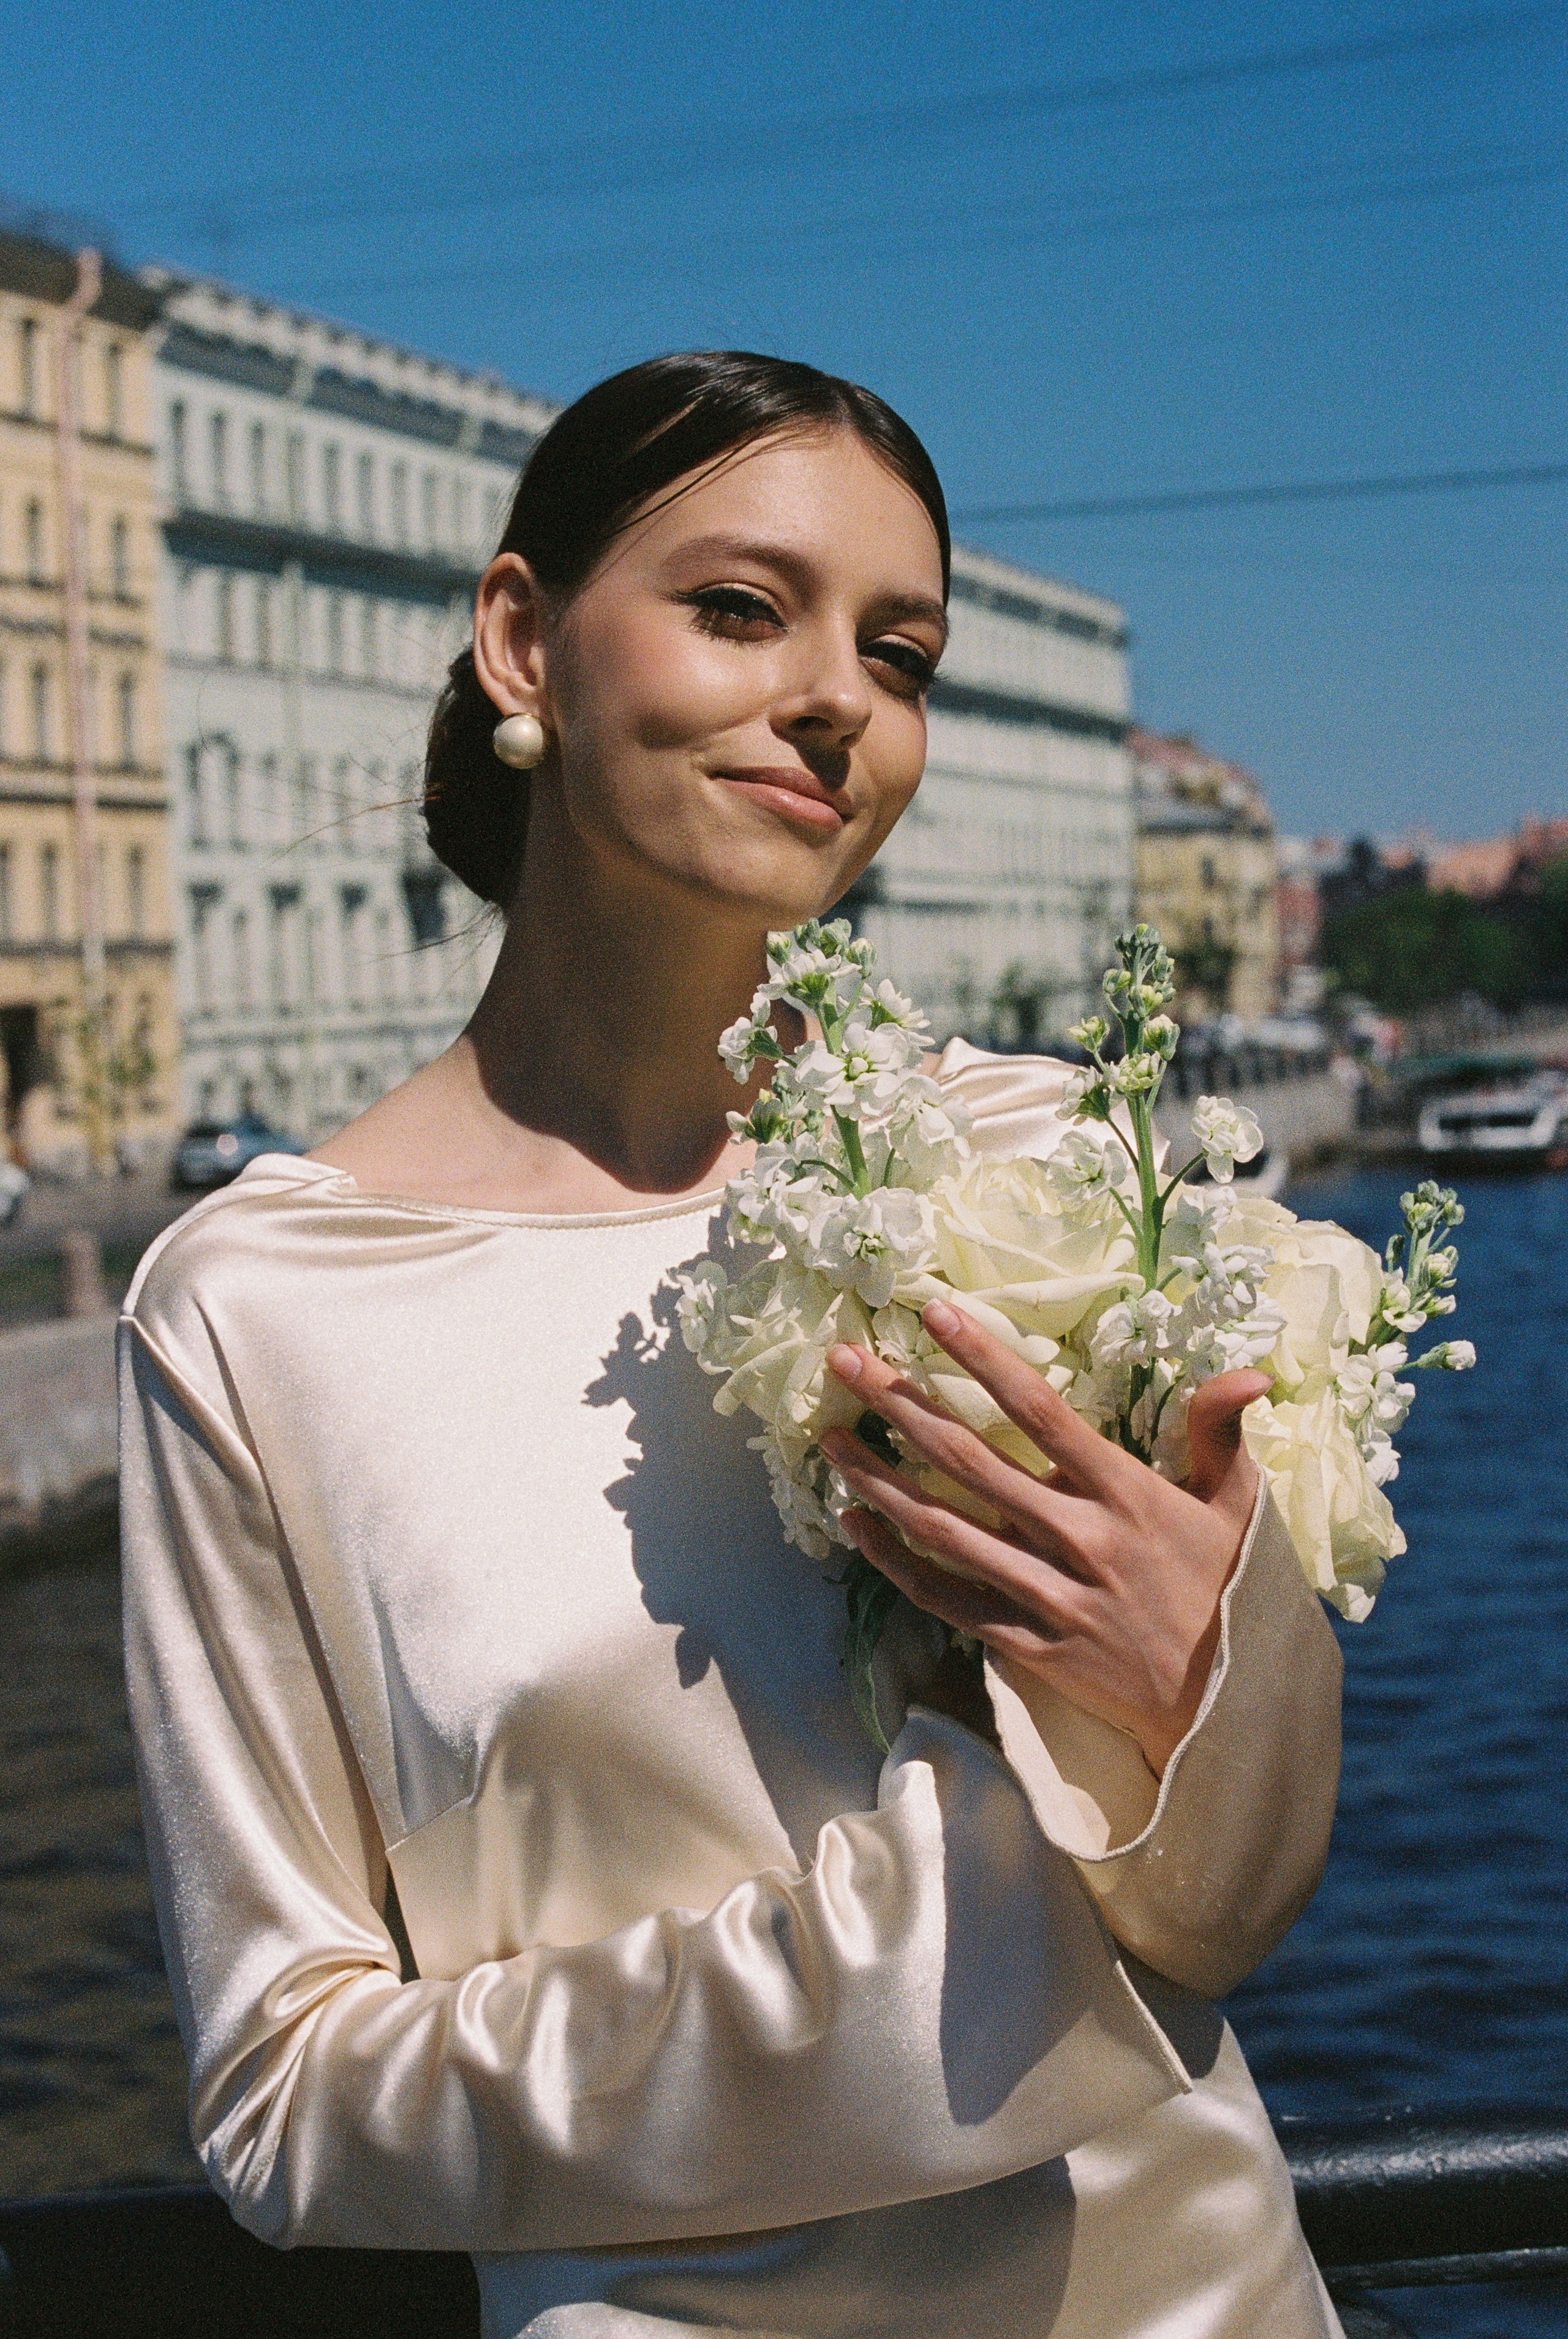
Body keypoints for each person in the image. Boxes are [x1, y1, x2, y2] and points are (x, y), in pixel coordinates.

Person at [120, 353, 1345, 2339]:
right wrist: (925, 1961)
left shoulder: (1043, 1158)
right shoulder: (257, 1313)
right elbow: (282, 2101)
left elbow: (1231, 1889)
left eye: (905, 648)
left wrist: (1212, 1690)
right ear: (524, 641)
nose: (840, 696)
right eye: (739, 608)